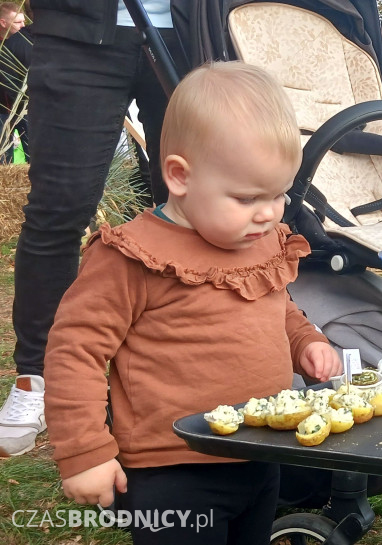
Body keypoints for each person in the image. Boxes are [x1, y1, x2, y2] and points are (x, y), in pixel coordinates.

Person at [43, 62, 342, 544]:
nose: (267, 213)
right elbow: (74, 352)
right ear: (180, 177)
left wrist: (305, 341)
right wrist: (85, 451)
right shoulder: (133, 257)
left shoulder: (259, 239)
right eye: (246, 197)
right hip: (172, 470)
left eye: (280, 194)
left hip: (261, 449)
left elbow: (275, 304)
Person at [1, 0, 187, 458]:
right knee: (58, 209)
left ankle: (184, 361)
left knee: (199, 206)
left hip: (192, 31)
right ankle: (38, 378)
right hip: (79, 32)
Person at [0, 1, 29, 163]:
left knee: (34, 154)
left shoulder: (27, 42)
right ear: (3, 23)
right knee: (4, 159)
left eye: (24, 21)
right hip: (2, 111)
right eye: (18, 22)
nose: (23, 26)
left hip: (25, 109)